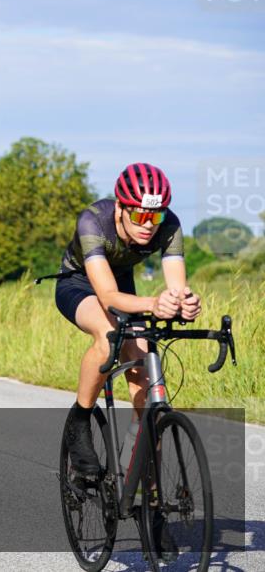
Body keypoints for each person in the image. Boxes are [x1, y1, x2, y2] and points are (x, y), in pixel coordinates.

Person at [55, 163, 201, 478]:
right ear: (121, 207)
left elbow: (176, 286)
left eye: (156, 216)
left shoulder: (169, 223)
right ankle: (79, 422)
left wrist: (183, 304)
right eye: (139, 216)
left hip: (123, 286)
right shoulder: (93, 221)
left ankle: (142, 470)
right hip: (79, 283)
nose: (149, 225)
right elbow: (107, 297)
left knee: (144, 368)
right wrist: (153, 303)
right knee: (109, 335)